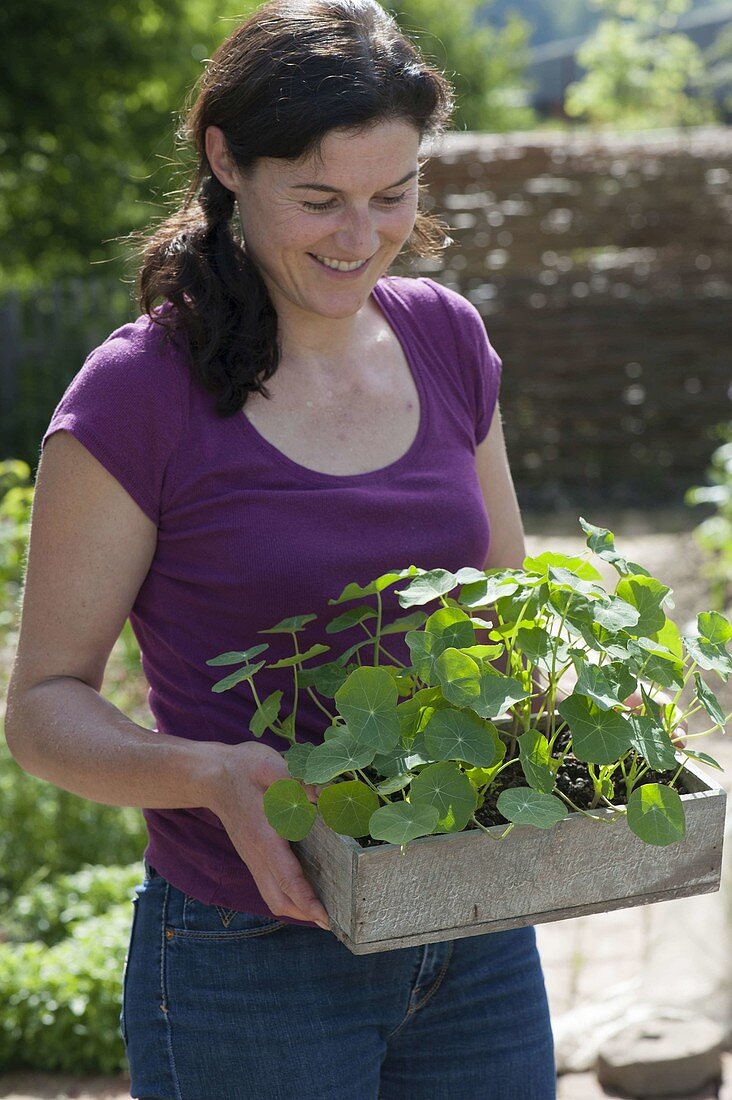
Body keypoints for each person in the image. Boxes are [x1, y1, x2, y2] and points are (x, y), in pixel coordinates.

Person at [5, 0, 556, 1096]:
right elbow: (42, 708)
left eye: (392, 196)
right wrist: (210, 775)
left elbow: (505, 599)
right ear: (226, 159)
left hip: (475, 920)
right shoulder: (138, 394)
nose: (360, 237)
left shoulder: (446, 340)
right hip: (247, 955)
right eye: (319, 200)